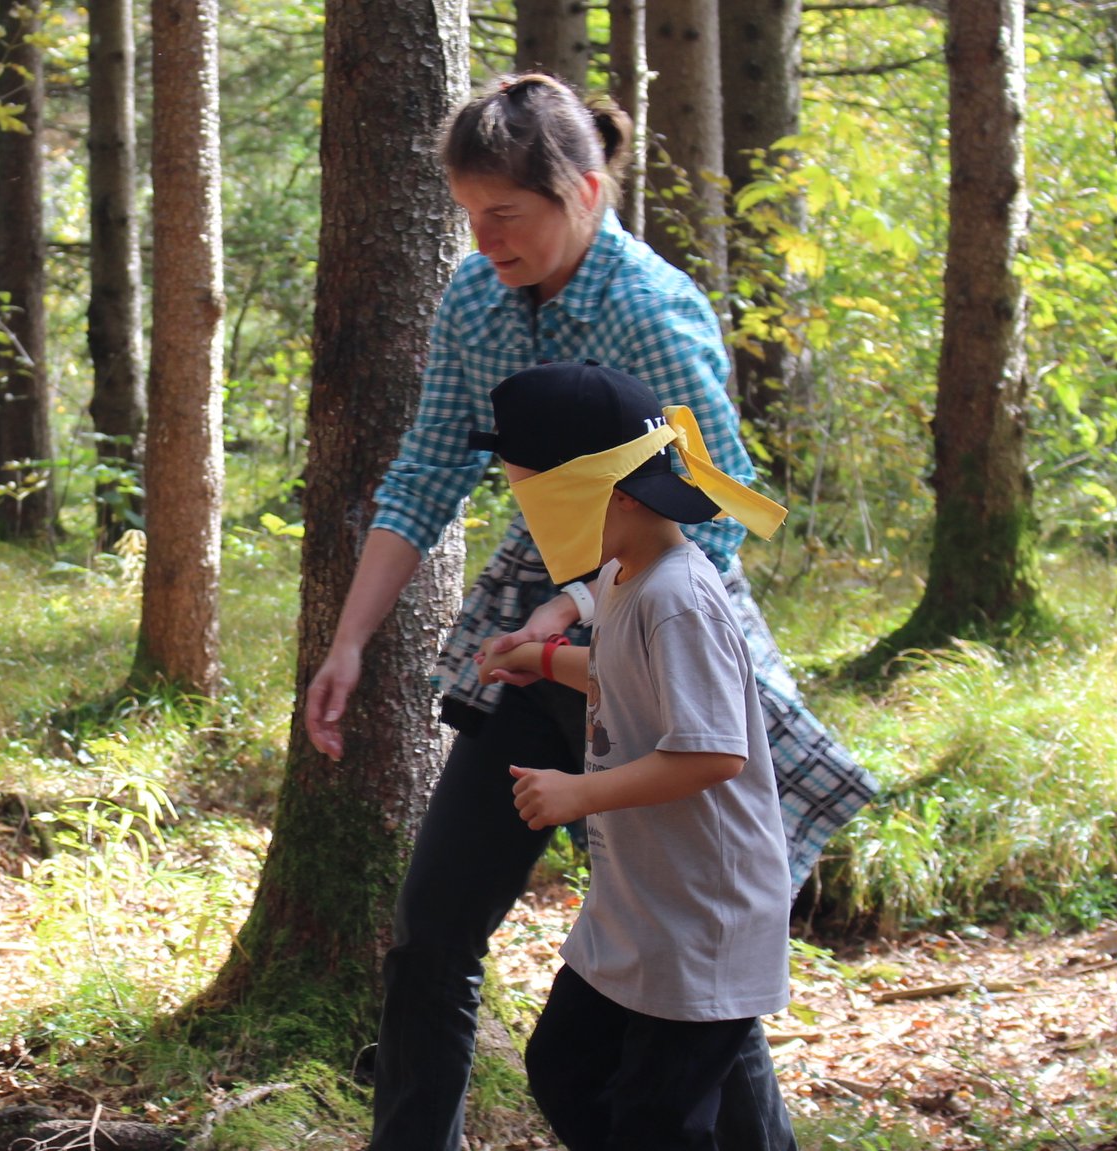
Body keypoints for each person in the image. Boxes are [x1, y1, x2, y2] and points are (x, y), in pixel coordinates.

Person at [301, 73, 875, 1151]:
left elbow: (712, 505)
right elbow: (424, 471)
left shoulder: (651, 311)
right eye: (469, 216)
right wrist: (348, 641)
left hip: (658, 634)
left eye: (504, 215)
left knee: (692, 965)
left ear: (582, 188)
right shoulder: (473, 300)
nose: (483, 239)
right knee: (433, 927)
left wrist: (585, 608)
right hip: (534, 645)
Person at [473, 361, 793, 1149]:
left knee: (657, 1120)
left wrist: (581, 794)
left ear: (607, 492)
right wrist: (542, 660)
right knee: (563, 1067)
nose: (526, 513)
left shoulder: (677, 597)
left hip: (704, 917)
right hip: (642, 909)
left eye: (531, 493)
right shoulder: (623, 575)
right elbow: (624, 674)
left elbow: (714, 753)